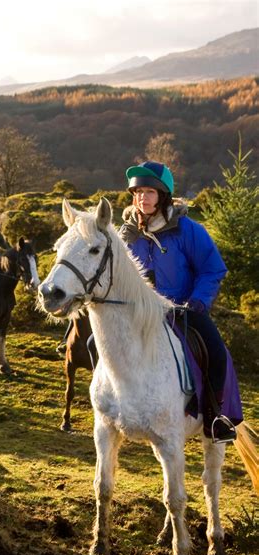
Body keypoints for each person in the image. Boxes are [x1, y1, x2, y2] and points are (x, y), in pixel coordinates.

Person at [119, 160, 237, 442]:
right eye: (138, 192)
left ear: (163, 196)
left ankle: (216, 417)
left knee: (217, 354)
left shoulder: (188, 230)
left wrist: (198, 301)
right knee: (90, 342)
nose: (142, 198)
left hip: (183, 311)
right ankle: (111, 407)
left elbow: (212, 269)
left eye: (149, 192)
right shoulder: (125, 234)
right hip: (136, 314)